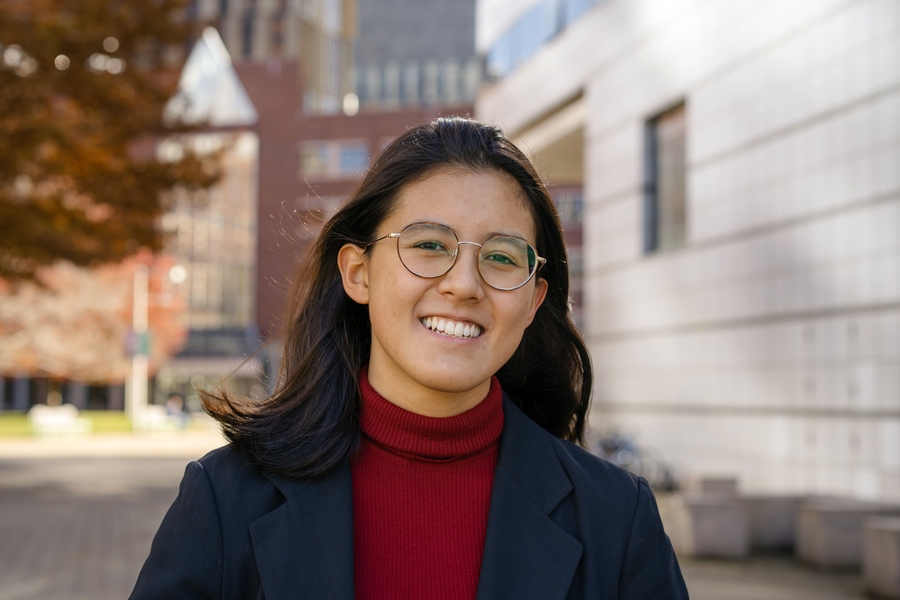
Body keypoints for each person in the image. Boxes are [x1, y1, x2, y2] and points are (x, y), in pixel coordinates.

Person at [130, 118, 688, 599]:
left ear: (533, 300)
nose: (464, 284)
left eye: (500, 256)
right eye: (429, 245)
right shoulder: (227, 499)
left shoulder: (617, 518)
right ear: (358, 272)